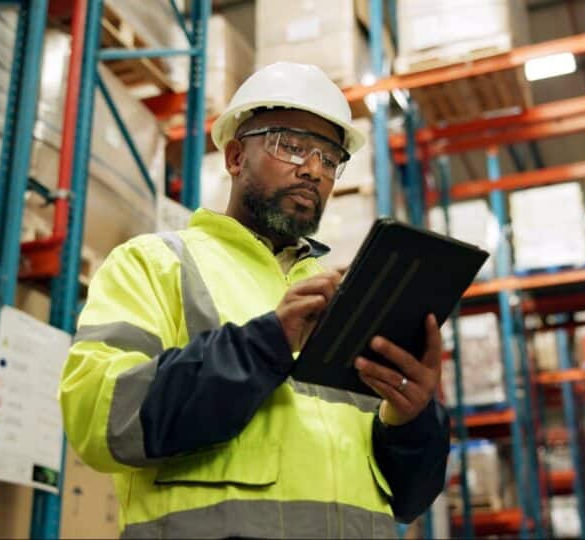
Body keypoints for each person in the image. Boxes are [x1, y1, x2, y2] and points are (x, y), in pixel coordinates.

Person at [60, 62, 450, 539]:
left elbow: (408, 500)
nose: (313, 170)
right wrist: (266, 343)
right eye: (291, 145)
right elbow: (99, 419)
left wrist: (412, 421)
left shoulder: (347, 300)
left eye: (329, 159)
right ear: (235, 157)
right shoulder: (156, 263)